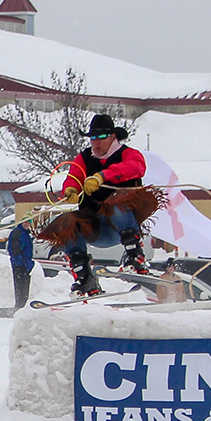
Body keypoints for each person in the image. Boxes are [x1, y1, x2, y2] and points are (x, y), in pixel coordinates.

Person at [56, 113, 149, 296]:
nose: (96, 142)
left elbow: (137, 167)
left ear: (113, 137)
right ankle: (84, 277)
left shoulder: (128, 154)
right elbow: (74, 176)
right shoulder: (84, 158)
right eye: (92, 138)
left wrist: (103, 176)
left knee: (116, 204)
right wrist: (71, 190)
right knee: (65, 223)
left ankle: (134, 256)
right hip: (95, 227)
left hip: (120, 224)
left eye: (101, 137)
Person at [6, 220, 35, 309]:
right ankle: (19, 305)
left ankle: (24, 304)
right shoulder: (17, 232)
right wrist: (20, 259)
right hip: (19, 263)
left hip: (26, 263)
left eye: (28, 223)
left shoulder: (27, 234)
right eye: (25, 222)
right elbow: (13, 248)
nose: (26, 224)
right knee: (19, 285)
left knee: (25, 286)